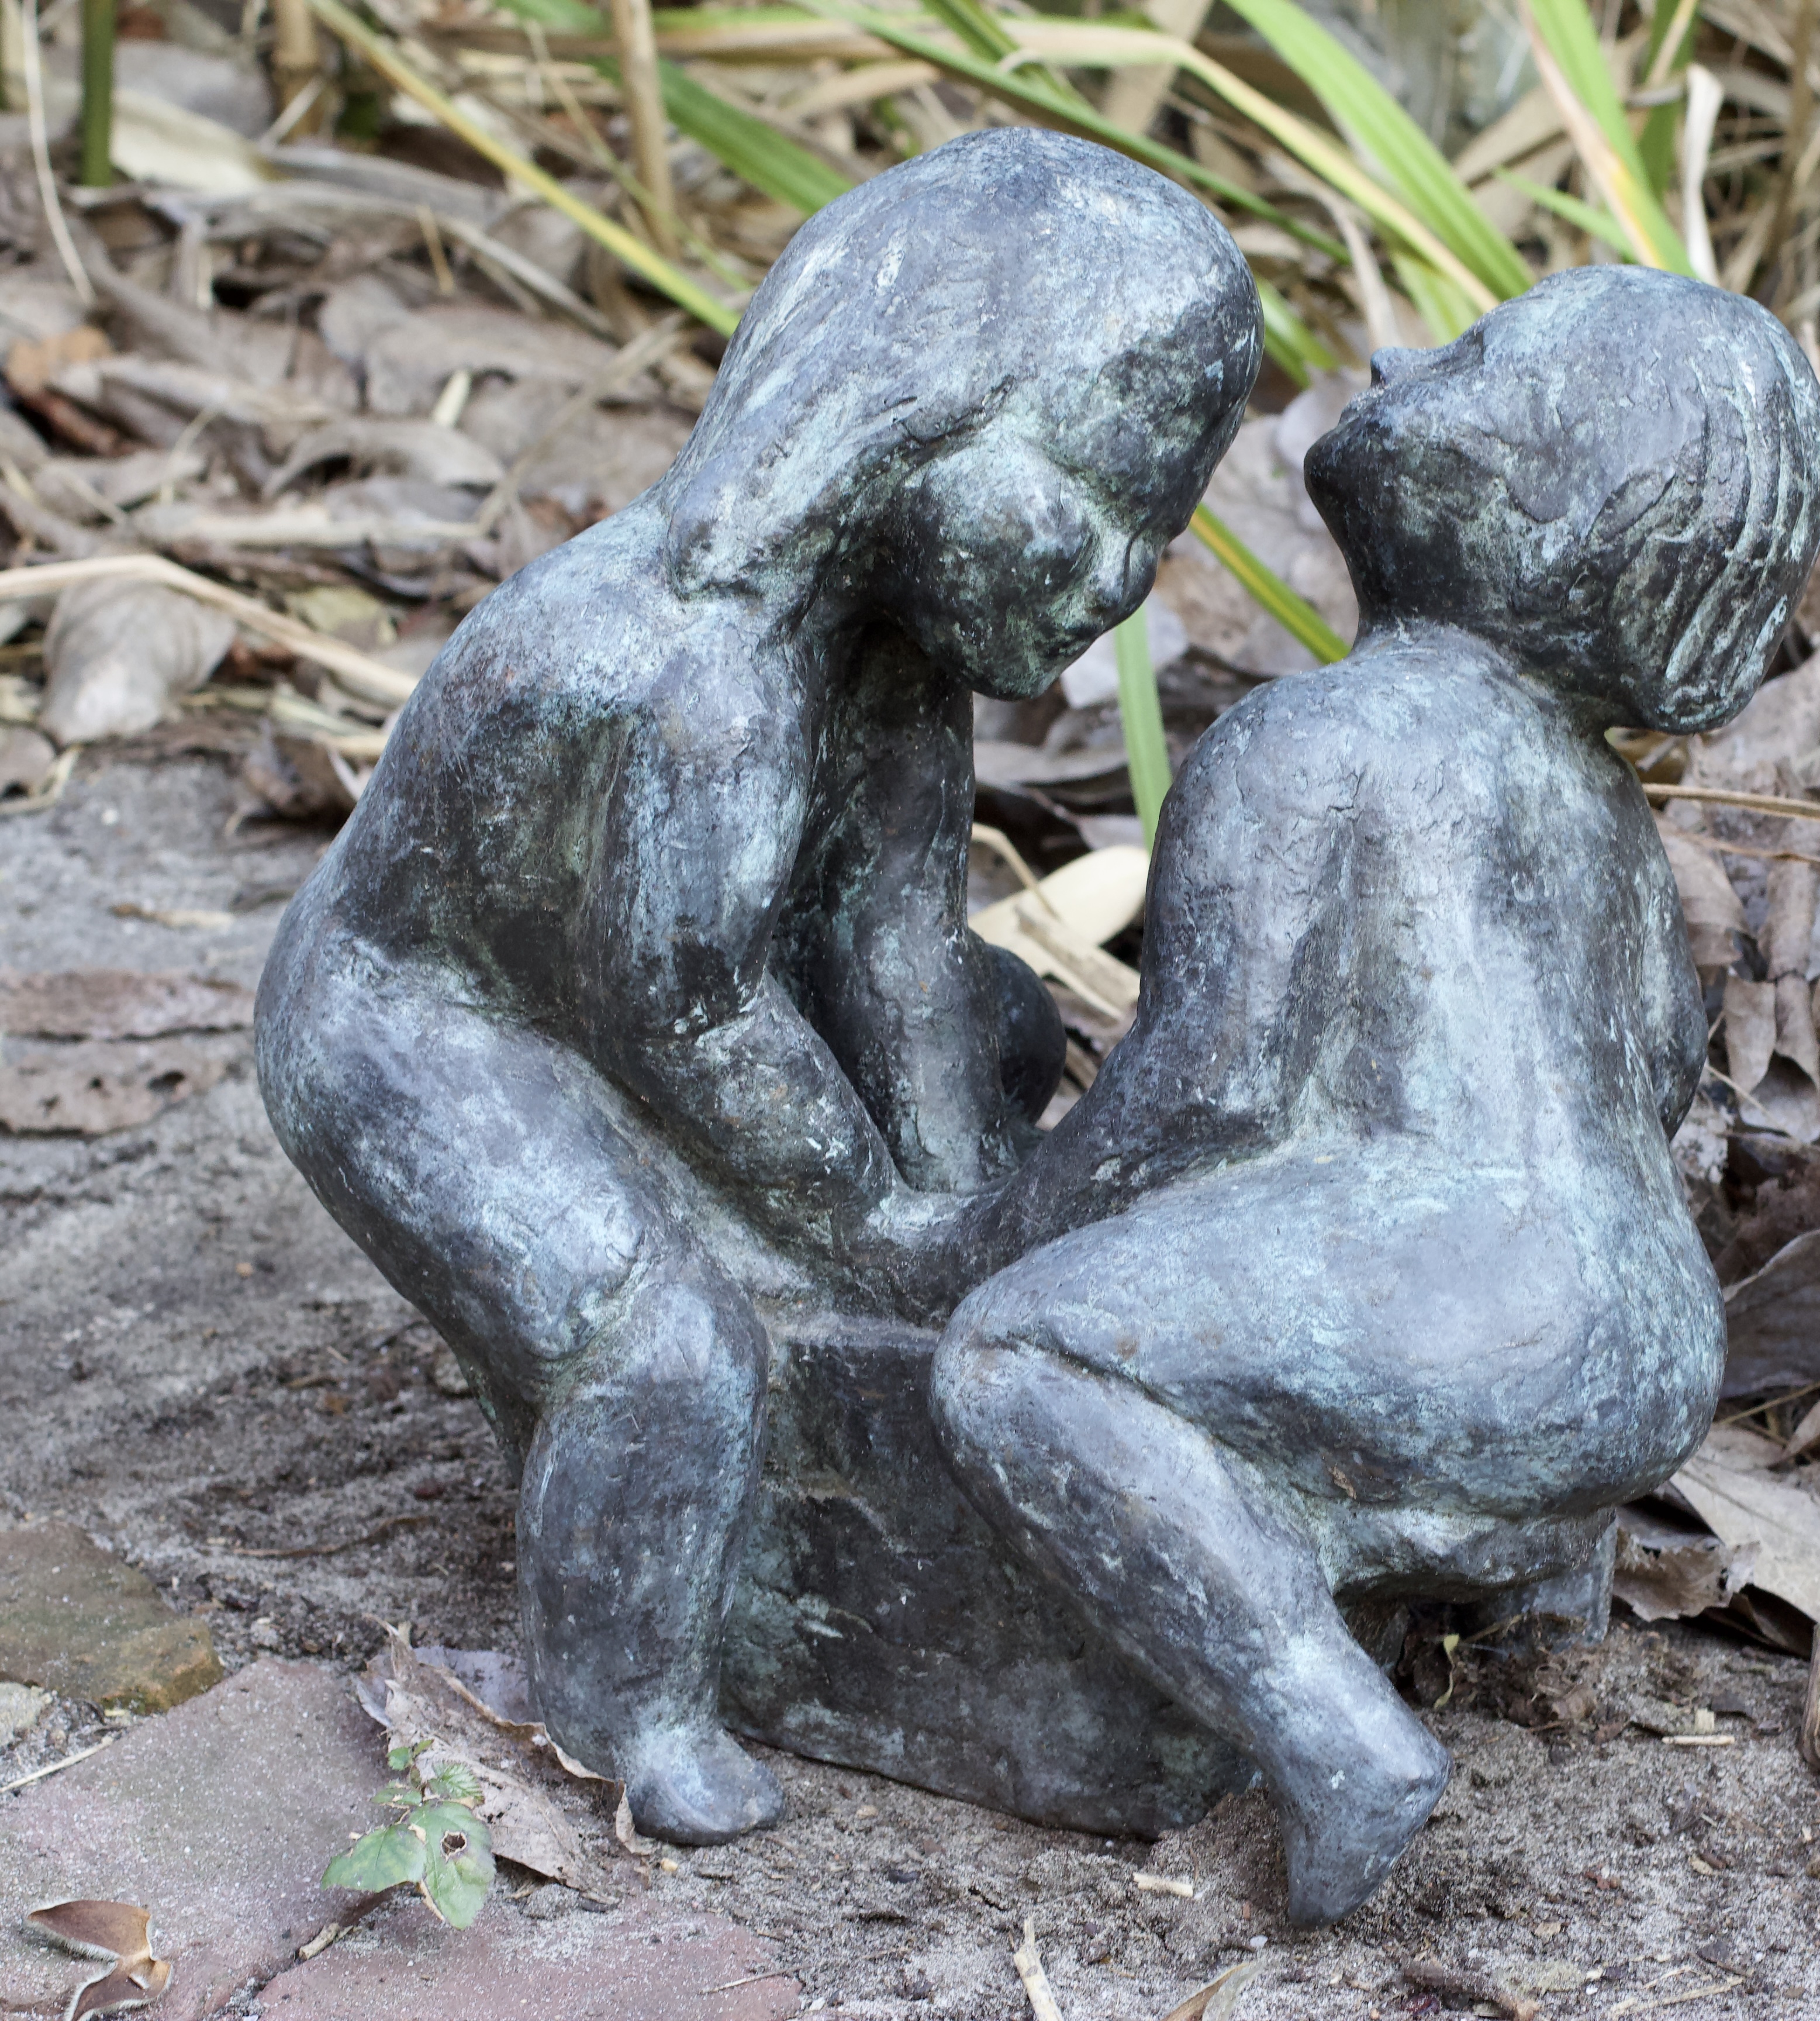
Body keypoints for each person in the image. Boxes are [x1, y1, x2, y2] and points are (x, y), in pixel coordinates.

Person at [256, 129, 1262, 1844]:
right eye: (1099, 502)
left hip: (631, 995)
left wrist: (966, 1219)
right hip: (422, 1029)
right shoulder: (685, 674)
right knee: (661, 1351)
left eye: (1156, 533)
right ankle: (618, 1702)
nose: (1123, 580)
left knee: (1001, 1023)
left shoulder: (896, 666)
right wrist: (884, 1231)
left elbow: (892, 947)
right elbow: (694, 1020)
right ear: (913, 418)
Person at [930, 266, 1820, 1922]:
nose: (1394, 353)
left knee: (1023, 1359)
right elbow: (1654, 1078)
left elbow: (1202, 1100)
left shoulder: (1313, 742)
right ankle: (1542, 1615)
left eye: (1472, 360)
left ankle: (1330, 1734)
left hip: (1473, 1318)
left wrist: (995, 1233)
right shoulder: (1608, 820)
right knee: (1412, 1310)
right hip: (1645, 1335)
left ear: (1555, 513)